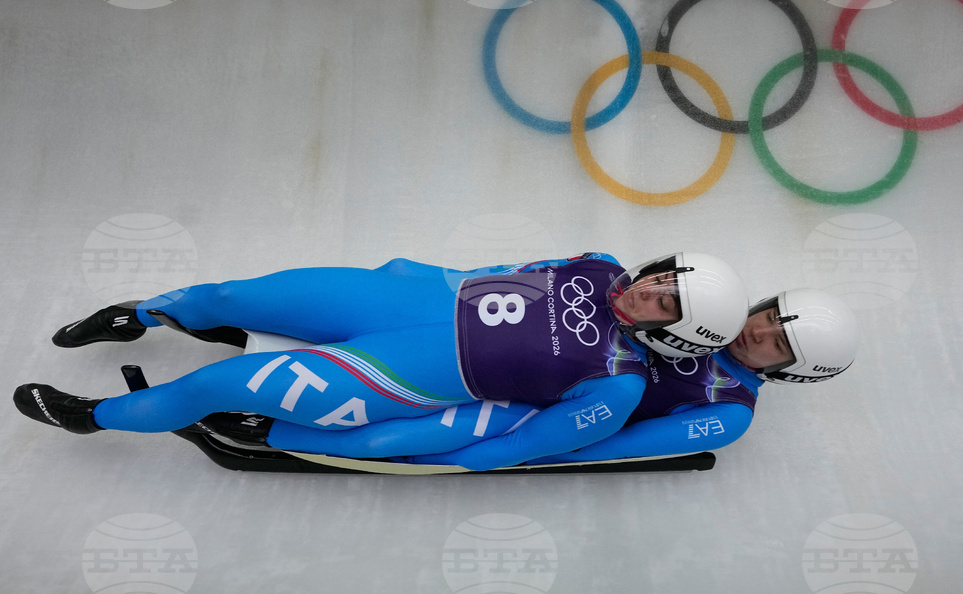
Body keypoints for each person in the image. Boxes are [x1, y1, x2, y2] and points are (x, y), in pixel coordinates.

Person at [13, 252, 751, 471]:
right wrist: (420, 274)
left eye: (665, 303)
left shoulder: (616, 387)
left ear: (675, 338)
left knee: (214, 385)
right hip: (394, 304)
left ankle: (92, 418)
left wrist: (449, 452)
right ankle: (137, 315)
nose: (650, 289)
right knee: (232, 293)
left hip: (405, 376)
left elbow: (529, 446)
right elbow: (506, 269)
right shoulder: (600, 265)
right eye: (663, 277)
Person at [190, 286, 861, 466]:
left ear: (792, 373)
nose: (758, 332)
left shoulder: (732, 410)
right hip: (510, 352)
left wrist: (521, 450)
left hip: (542, 408)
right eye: (770, 317)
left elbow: (609, 445)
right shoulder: (705, 305)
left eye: (776, 344)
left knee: (400, 438)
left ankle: (273, 434)